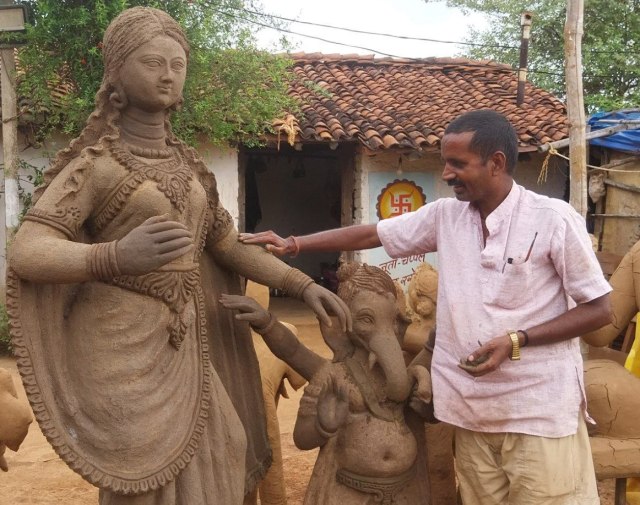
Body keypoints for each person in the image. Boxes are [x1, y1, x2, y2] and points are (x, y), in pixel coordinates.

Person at [6, 7, 348, 505]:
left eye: (177, 63)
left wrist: (303, 285)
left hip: (184, 340)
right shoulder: (97, 165)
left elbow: (227, 244)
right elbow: (28, 250)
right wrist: (114, 256)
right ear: (118, 74)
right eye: (151, 63)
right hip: (121, 343)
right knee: (141, 480)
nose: (167, 74)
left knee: (226, 449)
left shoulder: (189, 166)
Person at [239, 109, 613, 505]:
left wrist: (517, 340)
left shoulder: (552, 220)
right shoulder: (446, 217)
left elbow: (599, 309)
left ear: (496, 163)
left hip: (537, 415)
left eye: (457, 164)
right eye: (444, 163)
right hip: (471, 415)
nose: (447, 174)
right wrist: (294, 244)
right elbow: (373, 233)